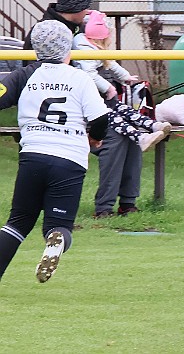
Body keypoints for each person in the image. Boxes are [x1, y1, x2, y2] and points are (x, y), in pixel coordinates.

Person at [0, 20, 109, 283]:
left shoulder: (23, 75)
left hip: (33, 156)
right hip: (69, 159)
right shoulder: (80, 78)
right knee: (59, 225)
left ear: (35, 49)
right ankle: (55, 240)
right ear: (67, 49)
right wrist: (95, 138)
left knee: (18, 222)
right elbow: (100, 119)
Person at [73, 10, 170, 152]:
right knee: (112, 116)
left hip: (99, 96)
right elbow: (89, 74)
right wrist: (108, 88)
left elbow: (111, 63)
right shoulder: (85, 51)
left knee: (124, 109)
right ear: (100, 39)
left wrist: (125, 76)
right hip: (88, 100)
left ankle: (153, 125)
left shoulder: (94, 47)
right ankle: (139, 138)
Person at [22, 0, 92, 56]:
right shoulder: (45, 32)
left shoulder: (80, 29)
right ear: (77, 8)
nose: (87, 12)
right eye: (86, 7)